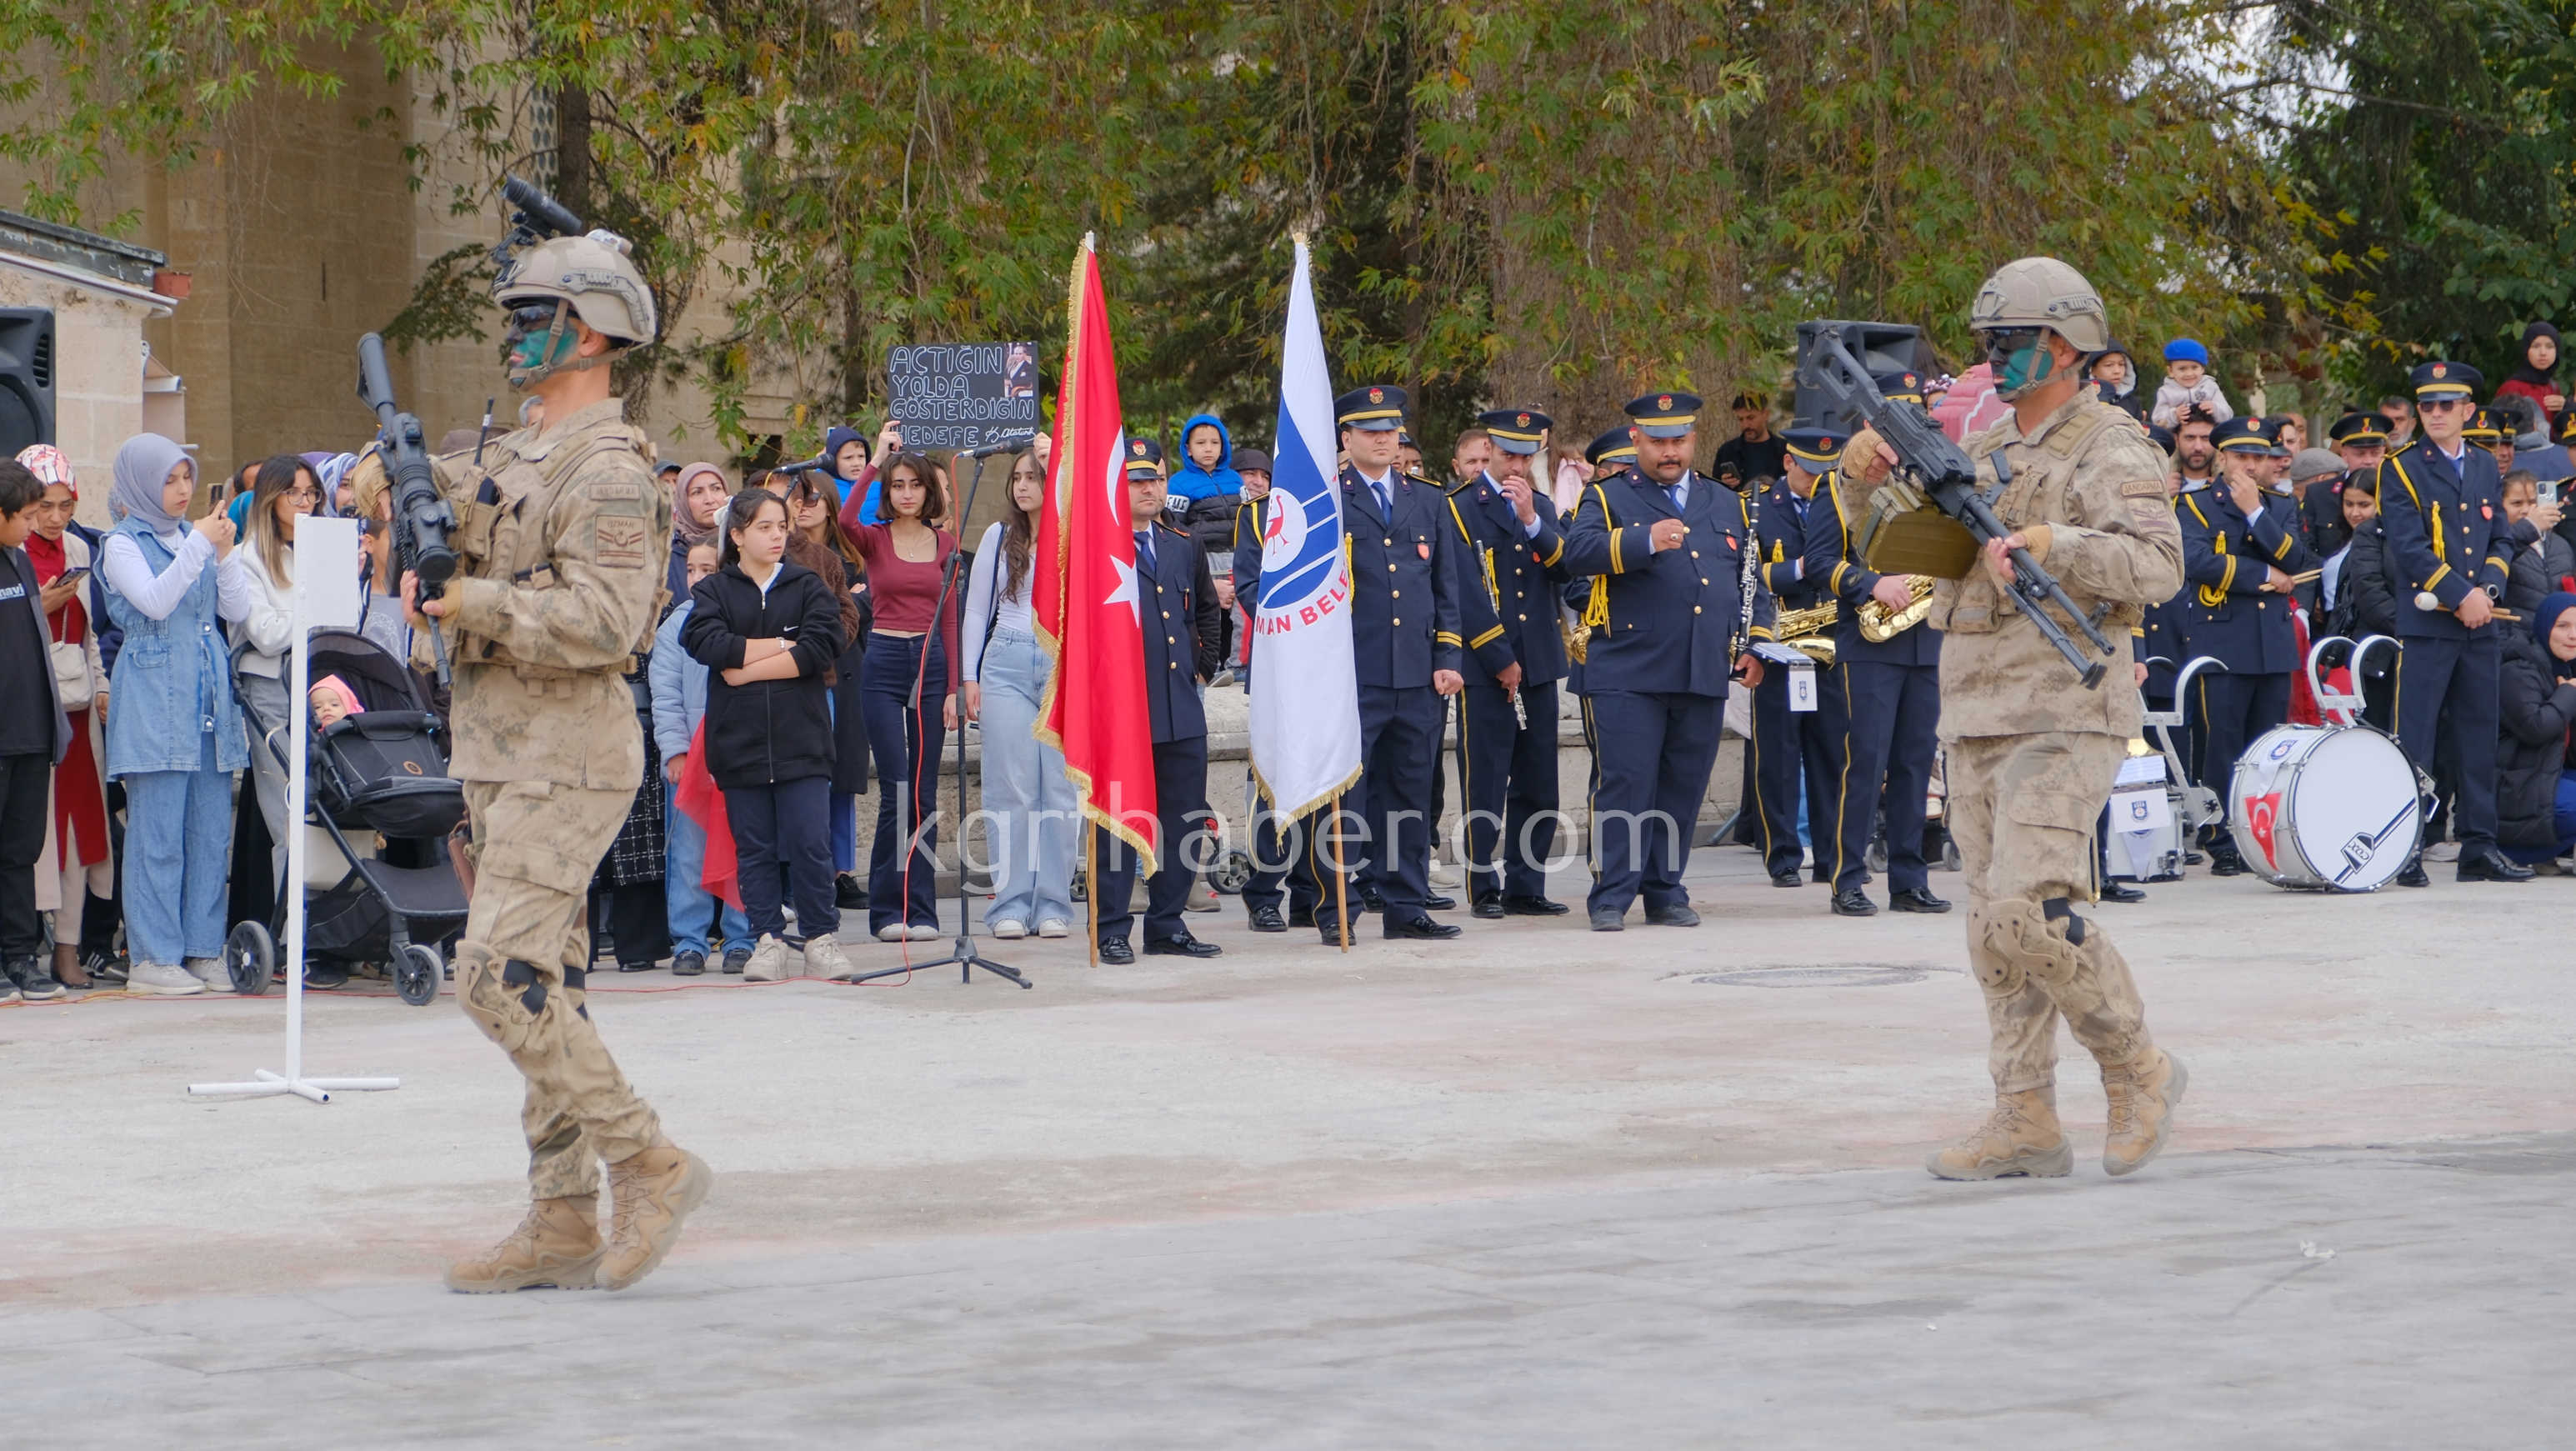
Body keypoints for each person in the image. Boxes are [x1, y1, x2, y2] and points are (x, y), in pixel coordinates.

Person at [408, 217, 708, 1295]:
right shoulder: (528, 451)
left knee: (495, 980)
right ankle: (563, 1214)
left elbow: (606, 616)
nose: (518, 336)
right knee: (553, 982)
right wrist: (390, 489)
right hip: (502, 750)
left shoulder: (613, 469)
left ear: (592, 331)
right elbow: (476, 499)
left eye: (536, 317)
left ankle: (646, 1160)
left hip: (570, 753)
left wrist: (472, 598)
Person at [1841, 257, 2187, 1182]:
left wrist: (2054, 544)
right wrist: (1857, 480)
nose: (1993, 356)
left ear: (2069, 348)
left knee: (2031, 911)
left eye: (2012, 341)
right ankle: (2024, 1115)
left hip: (2065, 706)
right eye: (1987, 341)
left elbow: (2159, 566)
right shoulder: (1983, 443)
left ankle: (2137, 1068)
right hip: (1977, 705)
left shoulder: (2109, 445)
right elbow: (1902, 549)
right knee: (1990, 927)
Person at [1562, 390, 1773, 932]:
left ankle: (1664, 890)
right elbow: (1577, 554)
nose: (1669, 451)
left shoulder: (1724, 502)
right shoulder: (1607, 496)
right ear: (1636, 440)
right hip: (1628, 668)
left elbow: (1749, 579)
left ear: (1693, 438)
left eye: (1678, 439)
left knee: (1682, 784)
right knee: (1627, 784)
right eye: (1657, 441)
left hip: (1700, 664)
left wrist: (1754, 642)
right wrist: (1641, 541)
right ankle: (1611, 894)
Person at [1308, 386, 1464, 944]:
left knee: (1410, 796)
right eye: (1368, 429)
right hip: (1351, 676)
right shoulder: (1324, 500)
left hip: (1418, 677)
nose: (1382, 438)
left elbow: (1446, 587)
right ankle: (1336, 908)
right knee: (1344, 801)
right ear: (1345, 439)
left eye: (1390, 429)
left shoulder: (1428, 498)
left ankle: (1405, 906)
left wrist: (1448, 656)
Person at [2373, 360, 2531, 886]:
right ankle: (2406, 846)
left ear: (2468, 410)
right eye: (2426, 406)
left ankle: (2479, 846)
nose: (2435, 414)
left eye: (2446, 405)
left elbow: (2501, 538)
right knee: (2415, 739)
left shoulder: (2486, 465)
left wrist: (2486, 590)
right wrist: (2460, 594)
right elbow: (2408, 547)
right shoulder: (2399, 468)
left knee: (2477, 737)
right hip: (2429, 626)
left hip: (2479, 623)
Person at [683, 488, 851, 981]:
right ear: (736, 536)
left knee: (810, 842)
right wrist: (780, 644)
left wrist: (747, 668)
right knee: (753, 847)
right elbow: (704, 641)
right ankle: (767, 939)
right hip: (739, 742)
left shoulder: (807, 585)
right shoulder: (716, 590)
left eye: (781, 526)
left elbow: (824, 644)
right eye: (764, 527)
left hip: (803, 740)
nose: (777, 535)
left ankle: (821, 937)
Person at [99, 433, 243, 998]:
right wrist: (201, 547)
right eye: (170, 479)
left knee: (209, 833)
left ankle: (203, 948)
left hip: (207, 700)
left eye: (187, 477)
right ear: (141, 484)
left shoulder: (195, 538)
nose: (182, 490)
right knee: (157, 833)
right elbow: (154, 600)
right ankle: (153, 957)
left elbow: (238, 611)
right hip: (154, 703)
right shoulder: (121, 543)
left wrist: (225, 556)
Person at [1810, 372, 1953, 918]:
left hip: (1923, 639)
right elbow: (1821, 562)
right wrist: (1870, 583)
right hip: (1868, 641)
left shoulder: (1931, 477)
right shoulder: (1836, 484)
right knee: (1864, 763)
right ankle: (1846, 878)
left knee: (1916, 764)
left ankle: (1907, 878)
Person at [1090, 442, 1223, 963]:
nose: (1149, 490)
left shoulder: (1181, 542)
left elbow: (1206, 610)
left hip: (1179, 706)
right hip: (1125, 708)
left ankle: (1167, 923)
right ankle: (1112, 927)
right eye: (1136, 482)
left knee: (1184, 815)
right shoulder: (1100, 549)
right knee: (1121, 819)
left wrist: (1205, 666)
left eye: (1156, 481)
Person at [1443, 408, 1573, 918]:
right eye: (1508, 454)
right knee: (1486, 778)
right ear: (1490, 451)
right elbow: (1463, 590)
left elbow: (1565, 565)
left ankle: (1528, 883)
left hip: (1539, 660)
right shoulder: (1457, 508)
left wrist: (1531, 521)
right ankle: (1483, 884)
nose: (1517, 464)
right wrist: (1499, 657)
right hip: (1484, 664)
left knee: (1539, 779)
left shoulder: (1538, 505)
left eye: (1526, 455)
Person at [2176, 417, 2317, 875]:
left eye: (2258, 457)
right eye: (2240, 456)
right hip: (2223, 639)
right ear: (2222, 458)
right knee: (2224, 741)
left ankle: (2262, 833)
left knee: (2267, 744)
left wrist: (2256, 513)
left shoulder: (2276, 504)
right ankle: (2220, 837)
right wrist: (2262, 577)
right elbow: (2198, 560)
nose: (2250, 465)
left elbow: (2296, 559)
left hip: (2272, 642)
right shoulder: (2195, 505)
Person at [959, 447, 1073, 940]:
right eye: (1018, 478)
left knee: (1060, 790)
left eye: (1035, 477)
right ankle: (1009, 903)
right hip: (1005, 658)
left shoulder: (1073, 533)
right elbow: (975, 608)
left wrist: (1060, 465)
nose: (1023, 486)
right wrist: (969, 676)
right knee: (1012, 787)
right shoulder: (998, 535)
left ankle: (1052, 903)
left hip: (1059, 661)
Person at [843, 451, 958, 941]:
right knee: (895, 788)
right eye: (897, 485)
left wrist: (954, 686)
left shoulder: (946, 543)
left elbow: (950, 616)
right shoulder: (874, 539)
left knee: (923, 791)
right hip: (884, 664)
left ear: (927, 492)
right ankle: (888, 912)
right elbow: (846, 517)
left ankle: (923, 910)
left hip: (931, 665)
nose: (906, 493)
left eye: (914, 485)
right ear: (886, 493)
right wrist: (876, 460)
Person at [16, 446, 110, 991]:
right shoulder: (12, 549)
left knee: (78, 829)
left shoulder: (78, 547)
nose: (55, 517)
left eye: (66, 504)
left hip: (76, 708)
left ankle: (68, 948)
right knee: (33, 831)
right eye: (44, 505)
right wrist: (39, 608)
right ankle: (24, 946)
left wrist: (101, 685)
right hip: (30, 705)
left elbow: (91, 628)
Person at [1745, 425, 1845, 889]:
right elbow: (1746, 573)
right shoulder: (1757, 509)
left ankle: (1831, 855)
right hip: (1780, 646)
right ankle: (1782, 856)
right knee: (1779, 757)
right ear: (1788, 463)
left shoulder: (1845, 503)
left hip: (1833, 643)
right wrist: (1798, 571)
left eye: (1829, 471)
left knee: (1831, 755)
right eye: (1811, 471)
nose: (1821, 479)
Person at [649, 539, 753, 976]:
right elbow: (666, 693)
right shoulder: (675, 625)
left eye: (707, 568)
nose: (697, 578)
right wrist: (674, 748)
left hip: (742, 752)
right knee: (689, 852)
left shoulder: (747, 615)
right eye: (691, 569)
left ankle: (742, 937)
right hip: (692, 755)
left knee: (744, 847)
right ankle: (689, 940)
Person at [779, 468, 871, 912]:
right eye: (801, 496)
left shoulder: (850, 559)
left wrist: (857, 600)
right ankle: (802, 876)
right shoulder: (779, 553)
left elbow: (860, 613)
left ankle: (842, 871)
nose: (808, 503)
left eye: (817, 496)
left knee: (841, 777)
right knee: (807, 776)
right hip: (798, 674)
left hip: (847, 672)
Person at [0, 461, 72, 1003]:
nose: (32, 526)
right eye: (25, 516)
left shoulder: (21, 562)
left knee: (21, 850)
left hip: (28, 731)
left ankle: (20, 955)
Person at [2497, 592, 2576, 866]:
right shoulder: (2518, 670)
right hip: (2516, 792)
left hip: (2548, 778)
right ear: (2544, 627)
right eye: (2563, 626)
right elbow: (2536, 728)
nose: (2573, 635)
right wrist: (2568, 696)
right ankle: (2527, 854)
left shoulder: (2567, 669)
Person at [2499, 470, 2573, 614]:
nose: (2526, 510)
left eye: (2533, 502)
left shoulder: (2561, 545)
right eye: (2517, 503)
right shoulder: (2497, 542)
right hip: (2513, 633)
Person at [666, 462, 729, 603]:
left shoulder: (744, 546)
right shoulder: (666, 557)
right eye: (697, 492)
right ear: (682, 500)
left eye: (716, 489)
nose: (710, 500)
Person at [2493, 322, 2565, 432]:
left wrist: (2566, 409)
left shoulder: (2554, 387)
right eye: (2536, 346)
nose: (2543, 353)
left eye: (2550, 346)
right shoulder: (2512, 388)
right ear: (2526, 350)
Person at [2150, 338, 2232, 428]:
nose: (2189, 374)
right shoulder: (2166, 392)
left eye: (2194, 368)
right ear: (2171, 371)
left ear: (2202, 369)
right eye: (2182, 369)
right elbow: (2158, 421)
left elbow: (2228, 414)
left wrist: (2215, 409)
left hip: (2208, 434)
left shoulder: (2210, 387)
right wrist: (2174, 415)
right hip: (2178, 436)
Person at [1713, 391, 1787, 487]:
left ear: (1766, 415)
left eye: (1751, 418)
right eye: (1741, 419)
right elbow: (1714, 491)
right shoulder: (1727, 451)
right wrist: (1724, 485)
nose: (1745, 425)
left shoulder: (1784, 450)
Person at [2088, 343, 2146, 422]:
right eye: (2109, 365)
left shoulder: (2133, 403)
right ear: (2092, 370)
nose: (2117, 371)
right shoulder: (2083, 400)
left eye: (2121, 364)